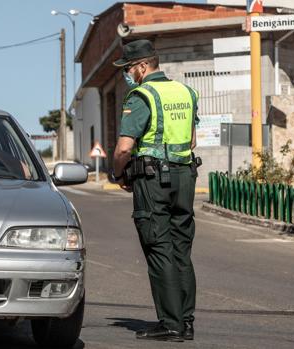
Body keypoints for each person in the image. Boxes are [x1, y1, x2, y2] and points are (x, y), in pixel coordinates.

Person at [110, 39, 200, 342]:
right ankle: (186, 322)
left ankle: (170, 324)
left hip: (153, 181)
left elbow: (124, 148)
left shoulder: (141, 95)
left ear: (143, 66)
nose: (127, 74)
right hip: (185, 176)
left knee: (158, 248)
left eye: (129, 68)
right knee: (180, 250)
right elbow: (191, 142)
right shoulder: (186, 92)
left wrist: (118, 173)